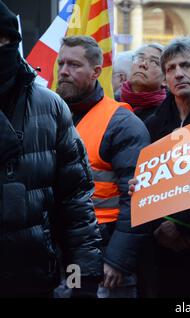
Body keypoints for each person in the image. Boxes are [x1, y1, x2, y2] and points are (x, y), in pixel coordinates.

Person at [0, 0, 102, 297]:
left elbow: (76, 204)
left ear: (11, 42)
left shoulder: (50, 107)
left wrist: (81, 281)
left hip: (33, 278)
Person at [56, 35, 150, 298]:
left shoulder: (122, 123)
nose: (63, 71)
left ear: (97, 71)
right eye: (61, 63)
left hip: (106, 252)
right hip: (68, 251)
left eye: (74, 65)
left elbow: (138, 198)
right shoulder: (51, 113)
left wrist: (118, 260)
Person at [139, 37, 190, 298]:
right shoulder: (150, 125)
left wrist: (182, 224)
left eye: (187, 66)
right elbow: (146, 181)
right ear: (164, 79)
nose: (179, 73)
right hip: (158, 243)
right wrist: (161, 224)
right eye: (171, 69)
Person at [119, 43, 166, 122]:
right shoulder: (112, 101)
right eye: (139, 58)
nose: (143, 64)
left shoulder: (166, 113)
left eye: (154, 62)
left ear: (165, 80)